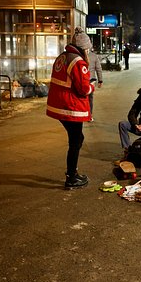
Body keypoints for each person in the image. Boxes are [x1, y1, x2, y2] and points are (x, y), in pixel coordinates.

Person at [46, 27, 96, 190]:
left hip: (59, 105)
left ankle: (73, 173)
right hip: (70, 107)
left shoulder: (62, 57)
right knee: (75, 141)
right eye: (88, 48)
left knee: (77, 139)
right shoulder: (78, 62)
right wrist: (92, 87)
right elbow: (82, 89)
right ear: (84, 47)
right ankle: (71, 177)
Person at [87, 49, 103, 121]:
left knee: (82, 98)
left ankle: (82, 114)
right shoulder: (94, 56)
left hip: (82, 80)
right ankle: (90, 115)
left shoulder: (78, 55)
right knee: (90, 98)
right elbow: (98, 69)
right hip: (91, 80)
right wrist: (100, 80)